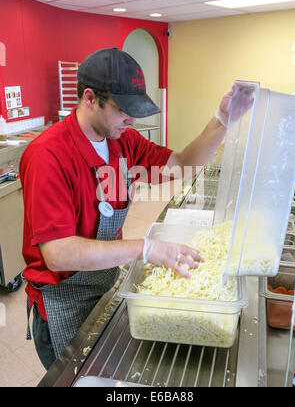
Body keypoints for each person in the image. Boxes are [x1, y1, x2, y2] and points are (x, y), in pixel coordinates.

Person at [20, 47, 254, 370]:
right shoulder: (48, 156)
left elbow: (182, 165)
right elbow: (58, 253)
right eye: (123, 109)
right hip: (63, 301)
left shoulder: (122, 141)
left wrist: (222, 120)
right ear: (90, 98)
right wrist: (145, 248)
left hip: (103, 281)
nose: (131, 120)